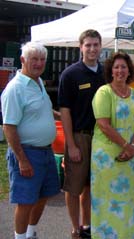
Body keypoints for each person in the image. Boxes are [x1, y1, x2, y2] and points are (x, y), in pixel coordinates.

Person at [1, 42, 61, 239]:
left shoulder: (39, 82)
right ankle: (20, 237)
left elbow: (41, 111)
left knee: (44, 195)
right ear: (23, 60)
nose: (39, 63)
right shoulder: (15, 89)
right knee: (26, 201)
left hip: (45, 151)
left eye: (42, 59)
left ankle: (31, 232)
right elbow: (9, 127)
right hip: (27, 152)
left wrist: (60, 116)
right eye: (34, 59)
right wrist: (22, 159)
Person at [58, 29, 105, 238]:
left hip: (102, 138)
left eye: (96, 45)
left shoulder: (106, 73)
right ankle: (75, 228)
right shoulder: (70, 74)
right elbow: (65, 111)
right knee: (74, 186)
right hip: (79, 136)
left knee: (90, 185)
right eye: (88, 45)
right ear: (81, 47)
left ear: (101, 46)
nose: (92, 49)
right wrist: (71, 144)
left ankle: (87, 226)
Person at [90, 52, 134, 238]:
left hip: (129, 158)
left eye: (124, 67)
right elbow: (103, 124)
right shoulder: (103, 92)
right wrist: (126, 146)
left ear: (129, 71)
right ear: (111, 71)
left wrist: (133, 147)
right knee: (106, 200)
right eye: (116, 67)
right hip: (107, 159)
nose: (120, 70)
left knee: (127, 200)